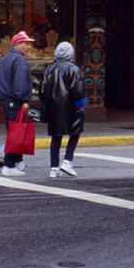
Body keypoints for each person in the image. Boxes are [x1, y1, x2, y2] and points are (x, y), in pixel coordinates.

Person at [0, 30, 36, 177]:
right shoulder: (20, 61)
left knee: (14, 130)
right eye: (26, 44)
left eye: (29, 44)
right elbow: (20, 84)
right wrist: (24, 100)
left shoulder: (5, 59)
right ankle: (9, 164)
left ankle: (16, 161)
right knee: (16, 133)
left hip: (5, 100)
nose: (28, 47)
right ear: (18, 44)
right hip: (14, 101)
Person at [40, 41, 86, 178]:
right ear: (70, 54)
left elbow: (42, 90)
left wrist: (44, 105)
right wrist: (81, 105)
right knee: (75, 132)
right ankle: (67, 161)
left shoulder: (49, 69)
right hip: (70, 107)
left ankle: (54, 168)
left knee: (56, 137)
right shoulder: (73, 69)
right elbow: (78, 90)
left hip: (53, 108)